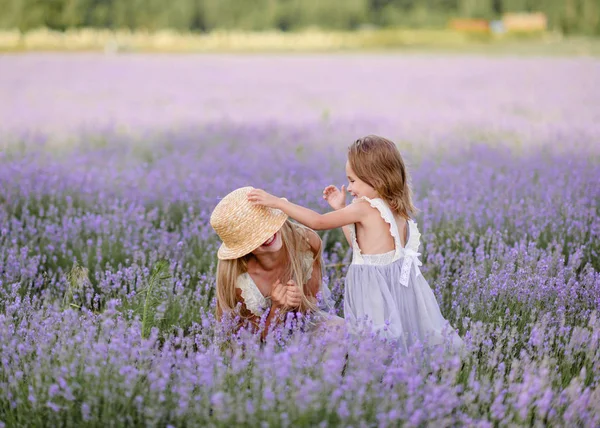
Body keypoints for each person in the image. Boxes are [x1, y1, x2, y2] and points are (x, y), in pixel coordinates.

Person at [248, 135, 463, 351]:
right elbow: (361, 249)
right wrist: (341, 208)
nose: (349, 188)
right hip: (396, 284)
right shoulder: (396, 209)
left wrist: (278, 203)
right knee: (401, 334)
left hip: (374, 288)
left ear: (376, 179)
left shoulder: (365, 207)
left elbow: (317, 222)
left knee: (374, 340)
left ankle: (377, 376)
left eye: (352, 181)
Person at [210, 186, 342, 339]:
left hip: (304, 324)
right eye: (254, 236)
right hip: (261, 343)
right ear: (242, 247)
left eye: (265, 224)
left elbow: (313, 307)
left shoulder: (305, 242)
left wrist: (299, 302)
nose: (267, 236)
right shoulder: (238, 278)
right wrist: (277, 309)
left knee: (338, 327)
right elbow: (252, 341)